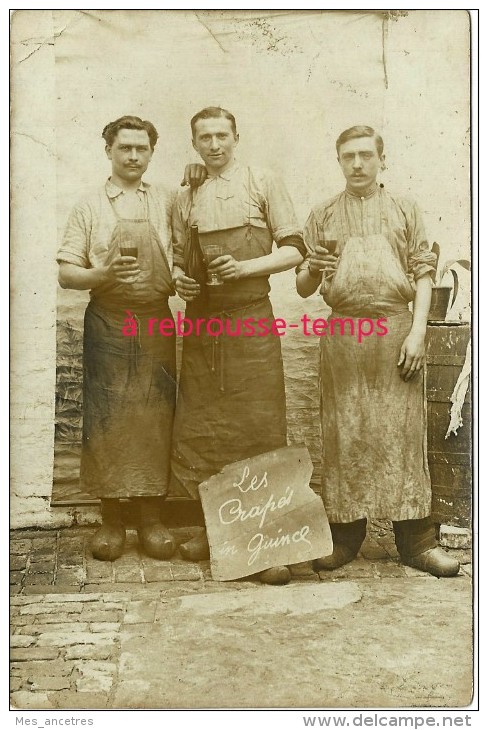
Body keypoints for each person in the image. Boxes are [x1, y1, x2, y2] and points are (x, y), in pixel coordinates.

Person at [296, 125, 460, 578]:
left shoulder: (405, 210)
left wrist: (418, 333)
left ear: (381, 160)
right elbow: (304, 287)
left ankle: (416, 542)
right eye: (348, 156)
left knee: (403, 436)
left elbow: (424, 274)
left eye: (366, 155)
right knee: (345, 434)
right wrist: (311, 267)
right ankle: (345, 538)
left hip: (395, 330)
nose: (357, 164)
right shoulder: (323, 214)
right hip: (345, 335)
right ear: (339, 161)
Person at [57, 115, 203, 562]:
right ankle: (112, 521)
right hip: (108, 321)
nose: (134, 156)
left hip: (155, 320)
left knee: (156, 416)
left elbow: (179, 256)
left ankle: (151, 519)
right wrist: (101, 274)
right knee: (107, 419)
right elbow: (66, 273)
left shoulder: (166, 201)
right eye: (125, 148)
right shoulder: (89, 205)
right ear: (109, 151)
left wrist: (180, 280)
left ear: (151, 153)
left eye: (142, 149)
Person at [171, 106, 306, 584]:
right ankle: (218, 531)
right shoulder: (185, 194)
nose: (214, 145)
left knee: (259, 426)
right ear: (194, 144)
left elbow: (295, 249)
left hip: (250, 318)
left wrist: (245, 269)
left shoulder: (262, 181)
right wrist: (181, 283)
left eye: (222, 135)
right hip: (204, 324)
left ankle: (268, 543)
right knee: (207, 428)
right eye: (204, 137)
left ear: (236, 137)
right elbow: (177, 260)